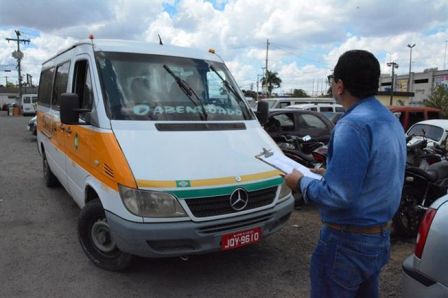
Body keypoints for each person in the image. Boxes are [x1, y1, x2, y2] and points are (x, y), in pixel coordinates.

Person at [284, 50, 406, 298]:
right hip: (379, 239)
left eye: (332, 80)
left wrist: (301, 182)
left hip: (347, 242)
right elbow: (374, 173)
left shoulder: (352, 125)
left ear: (339, 86)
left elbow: (339, 196)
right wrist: (328, 173)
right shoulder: (388, 119)